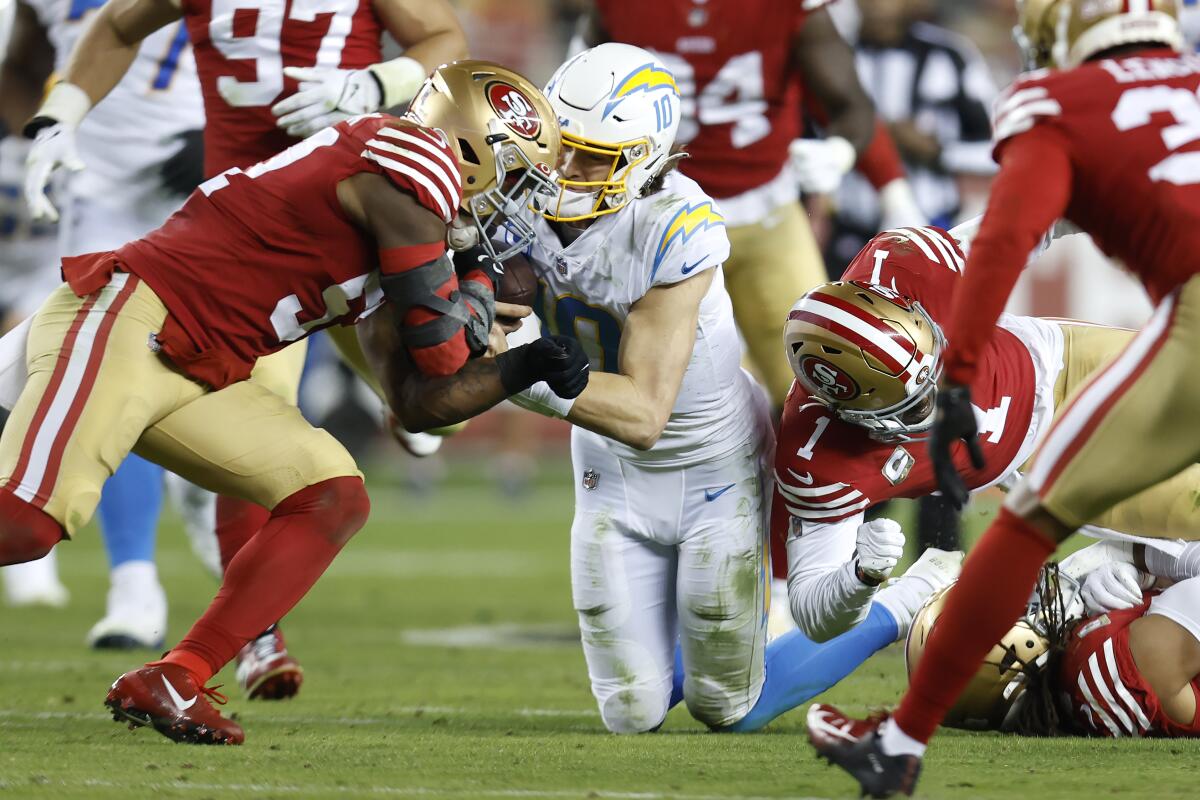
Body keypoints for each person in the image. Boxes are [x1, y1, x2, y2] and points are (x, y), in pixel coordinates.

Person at [0, 60, 582, 746]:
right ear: (474, 149)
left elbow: (422, 403)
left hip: (197, 364)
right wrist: (479, 296)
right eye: (514, 177)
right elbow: (445, 358)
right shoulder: (411, 170)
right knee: (26, 527)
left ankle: (176, 678)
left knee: (331, 494)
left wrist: (522, 365)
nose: (512, 201)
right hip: (133, 319)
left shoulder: (409, 206)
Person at [502, 43, 955, 735]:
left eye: (590, 156)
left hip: (708, 465)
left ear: (639, 159)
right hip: (607, 469)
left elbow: (645, 413)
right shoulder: (519, 198)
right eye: (560, 147)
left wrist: (511, 369)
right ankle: (696, 634)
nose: (562, 171)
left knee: (725, 705)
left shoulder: (676, 225)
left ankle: (906, 598)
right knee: (631, 712)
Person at [805, 3, 1200, 796]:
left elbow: (1005, 242)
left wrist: (957, 379)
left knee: (1029, 523)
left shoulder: (1059, 103)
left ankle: (899, 745)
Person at [22, 0, 468, 694]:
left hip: (369, 226)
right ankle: (253, 639)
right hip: (260, 247)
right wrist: (62, 112)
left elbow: (445, 41)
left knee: (443, 397)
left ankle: (404, 409)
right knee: (272, 415)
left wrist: (376, 85)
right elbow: (113, 27)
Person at [773, 220, 1200, 644]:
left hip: (1063, 358)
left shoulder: (913, 266)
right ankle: (1131, 567)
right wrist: (859, 577)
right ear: (858, 414)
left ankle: (1128, 564)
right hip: (1050, 463)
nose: (944, 392)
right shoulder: (817, 456)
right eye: (920, 400)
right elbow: (814, 612)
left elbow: (1040, 214)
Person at [575, 0, 917, 413]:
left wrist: (845, 154)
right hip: (656, 218)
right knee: (682, 396)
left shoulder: (790, 9)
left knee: (820, 378)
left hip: (764, 214)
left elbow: (849, 102)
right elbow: (576, 97)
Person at [901, 539, 1200, 739]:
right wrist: (1132, 555)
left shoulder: (1073, 678)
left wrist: (1142, 570)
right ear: (1008, 655)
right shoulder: (1107, 660)